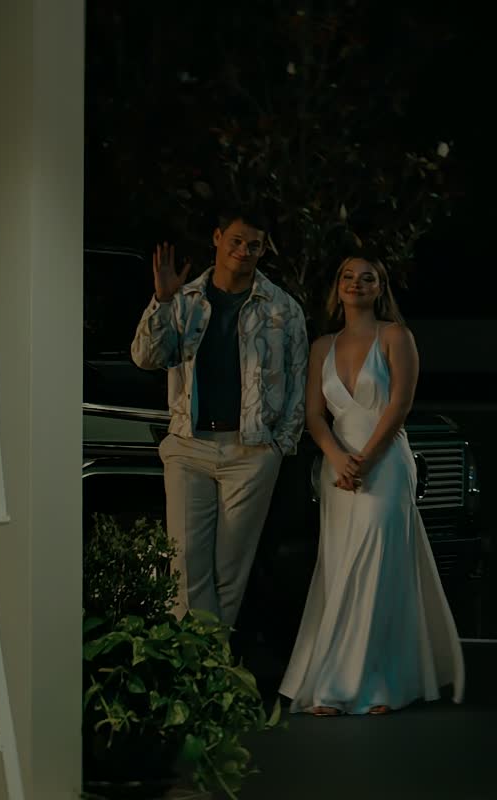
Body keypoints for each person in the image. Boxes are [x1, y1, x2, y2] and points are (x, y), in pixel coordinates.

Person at [278, 256, 466, 716]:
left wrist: (365, 460)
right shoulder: (322, 346)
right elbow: (314, 415)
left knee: (376, 564)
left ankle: (375, 683)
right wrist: (339, 458)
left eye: (368, 278)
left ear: (380, 288)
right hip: (337, 467)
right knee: (340, 565)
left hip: (385, 466)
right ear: (337, 286)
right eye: (348, 276)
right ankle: (333, 681)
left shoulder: (396, 337)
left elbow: (400, 405)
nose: (356, 284)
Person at [130, 210, 309, 636]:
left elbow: (298, 381)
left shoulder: (282, 308)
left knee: (230, 571)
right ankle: (198, 660)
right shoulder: (185, 299)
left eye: (254, 245)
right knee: (185, 562)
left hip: (251, 449)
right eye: (236, 241)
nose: (243, 251)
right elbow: (146, 357)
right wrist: (162, 301)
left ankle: (208, 664)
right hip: (189, 445)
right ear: (217, 238)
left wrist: (278, 446)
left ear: (263, 250)